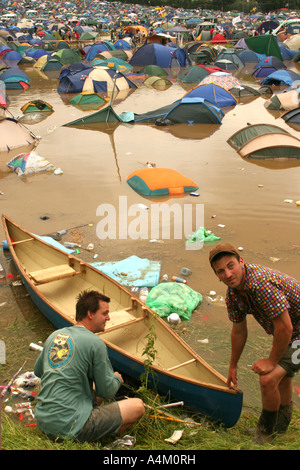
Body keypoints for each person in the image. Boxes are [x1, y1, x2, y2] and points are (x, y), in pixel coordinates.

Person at [209, 244, 300, 444]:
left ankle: (265, 434)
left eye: (231, 266)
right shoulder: (233, 294)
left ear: (241, 261)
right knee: (282, 380)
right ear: (217, 275)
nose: (228, 274)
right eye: (221, 271)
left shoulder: (261, 285)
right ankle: (278, 431)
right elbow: (239, 331)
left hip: (295, 332)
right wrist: (233, 365)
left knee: (268, 379)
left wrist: (271, 361)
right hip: (293, 332)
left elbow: (285, 328)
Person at [34, 290, 145, 442]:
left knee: (93, 387)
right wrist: (117, 379)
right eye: (104, 313)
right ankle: (97, 436)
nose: (108, 317)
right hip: (69, 427)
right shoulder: (95, 342)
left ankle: (85, 424)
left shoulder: (55, 335)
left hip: (44, 421)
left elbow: (38, 371)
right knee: (137, 407)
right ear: (90, 314)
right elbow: (107, 391)